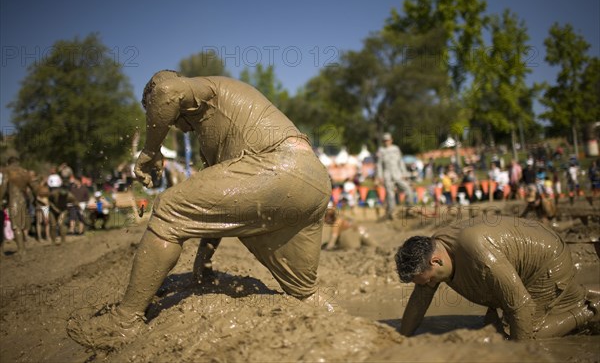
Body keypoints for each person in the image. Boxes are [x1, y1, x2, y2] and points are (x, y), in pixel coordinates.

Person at [68, 71, 331, 349]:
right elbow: (214, 213)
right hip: (313, 180)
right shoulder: (215, 129)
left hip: (278, 167)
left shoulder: (200, 87)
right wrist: (203, 266)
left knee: (168, 210)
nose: (177, 128)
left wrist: (150, 150)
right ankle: (355, 333)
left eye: (168, 120)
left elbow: (165, 89)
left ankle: (123, 321)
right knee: (303, 291)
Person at [395, 218, 599, 340]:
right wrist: (400, 338)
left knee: (527, 332)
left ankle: (590, 309)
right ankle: (578, 295)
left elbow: (521, 306)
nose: (429, 286)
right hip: (525, 259)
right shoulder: (435, 248)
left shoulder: (479, 255)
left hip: (546, 263)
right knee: (492, 327)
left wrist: (516, 354)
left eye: (429, 281)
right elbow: (418, 302)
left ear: (436, 261)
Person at [0, 154, 37, 254]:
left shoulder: (7, 171)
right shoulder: (25, 172)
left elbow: (3, 186)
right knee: (21, 225)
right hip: (23, 200)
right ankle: (22, 248)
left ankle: (22, 250)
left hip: (13, 200)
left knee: (16, 226)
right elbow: (34, 187)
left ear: (9, 163)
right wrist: (35, 200)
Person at [376, 132, 414, 220]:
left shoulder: (396, 149)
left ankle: (409, 209)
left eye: (388, 140)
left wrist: (404, 173)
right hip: (387, 175)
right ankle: (391, 213)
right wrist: (380, 176)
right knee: (390, 195)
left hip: (398, 174)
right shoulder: (381, 150)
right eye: (384, 140)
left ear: (391, 140)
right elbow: (379, 165)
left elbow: (400, 161)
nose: (386, 142)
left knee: (408, 189)